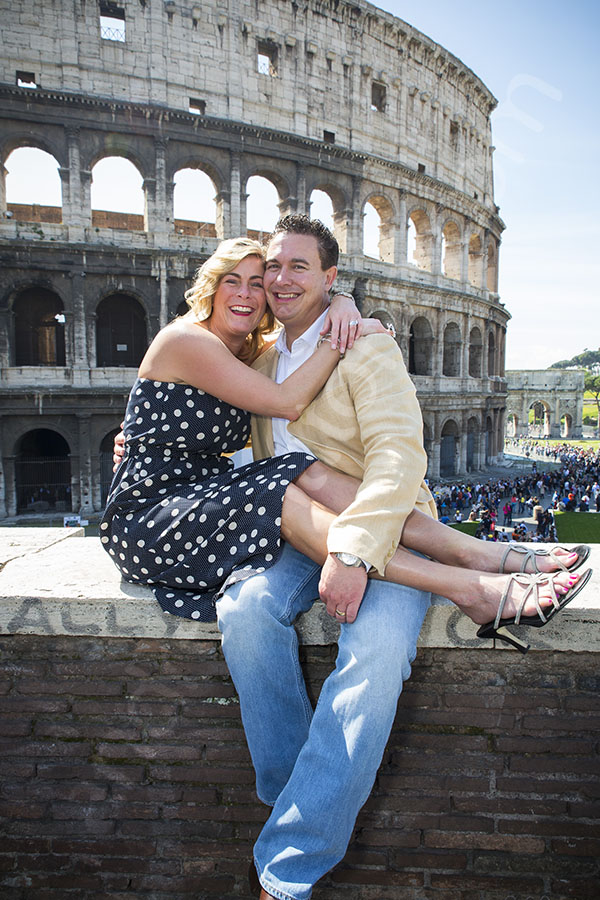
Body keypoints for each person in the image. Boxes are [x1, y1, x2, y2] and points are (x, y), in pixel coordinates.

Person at [107, 217, 590, 900]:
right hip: (292, 529)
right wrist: (133, 435)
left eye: (295, 267)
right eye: (269, 268)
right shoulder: (259, 356)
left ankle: (288, 869)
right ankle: (297, 795)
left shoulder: (365, 346)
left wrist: (356, 551)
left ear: (330, 278)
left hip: (387, 527)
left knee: (376, 656)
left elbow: (399, 459)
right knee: (244, 609)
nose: (277, 281)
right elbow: (196, 417)